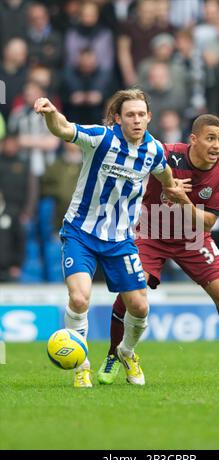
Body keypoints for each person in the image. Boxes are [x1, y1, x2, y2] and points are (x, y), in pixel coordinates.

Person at [98, 114, 219, 385]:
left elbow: (208, 221)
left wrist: (182, 199)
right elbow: (133, 165)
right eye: (210, 138)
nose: (217, 145)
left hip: (192, 237)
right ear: (193, 139)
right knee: (133, 291)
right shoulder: (166, 154)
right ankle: (115, 355)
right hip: (151, 232)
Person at [34, 88, 178, 388]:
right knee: (79, 297)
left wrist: (171, 188)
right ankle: (81, 364)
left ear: (149, 117)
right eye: (130, 115)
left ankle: (126, 351)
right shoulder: (101, 138)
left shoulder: (154, 151)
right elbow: (63, 128)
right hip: (81, 233)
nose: (136, 120)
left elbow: (164, 173)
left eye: (141, 114)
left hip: (121, 240)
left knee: (139, 307)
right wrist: (50, 113)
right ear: (117, 118)